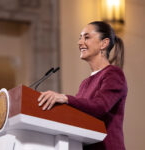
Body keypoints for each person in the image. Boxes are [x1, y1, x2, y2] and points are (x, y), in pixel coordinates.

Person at [38, 21, 128, 150]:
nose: (80, 42)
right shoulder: (85, 83)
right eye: (80, 38)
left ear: (104, 43)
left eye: (86, 37)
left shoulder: (114, 74)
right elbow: (78, 114)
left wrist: (64, 98)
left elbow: (100, 106)